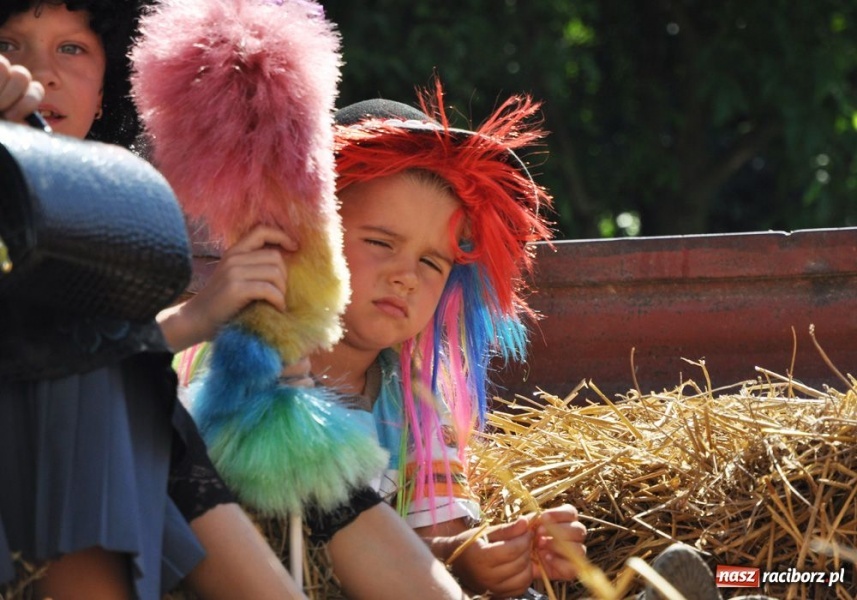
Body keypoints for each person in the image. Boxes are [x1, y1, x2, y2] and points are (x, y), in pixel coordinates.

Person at [1, 3, 472, 599]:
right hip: (50, 441)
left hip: (118, 442)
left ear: (106, 89)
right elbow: (59, 361)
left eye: (71, 48)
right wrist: (200, 317)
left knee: (153, 409)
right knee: (118, 396)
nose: (38, 71)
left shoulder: (103, 201)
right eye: (8, 46)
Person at [309, 85, 589, 597]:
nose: (406, 277)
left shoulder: (415, 405)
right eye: (379, 243)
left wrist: (495, 556)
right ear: (308, 234)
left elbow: (440, 542)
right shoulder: (250, 367)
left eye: (432, 262)